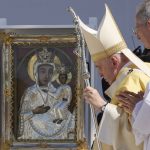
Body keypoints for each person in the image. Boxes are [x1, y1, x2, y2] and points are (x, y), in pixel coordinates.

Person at [78, 4, 150, 150]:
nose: (99, 74)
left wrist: (102, 107)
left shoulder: (132, 79)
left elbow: (135, 136)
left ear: (114, 61)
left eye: (99, 67)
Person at [18, 48, 75, 140]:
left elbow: (64, 112)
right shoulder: (30, 93)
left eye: (50, 72)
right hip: (33, 136)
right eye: (43, 71)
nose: (46, 75)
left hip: (57, 136)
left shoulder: (57, 91)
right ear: (36, 73)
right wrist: (34, 112)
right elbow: (21, 117)